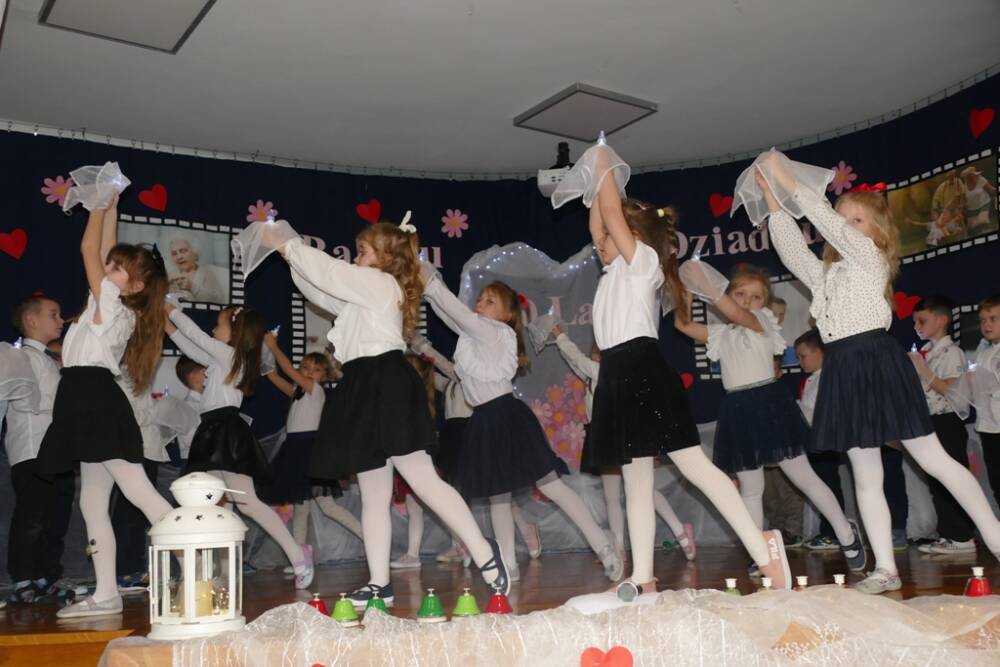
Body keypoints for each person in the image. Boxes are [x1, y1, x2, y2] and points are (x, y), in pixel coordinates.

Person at [746, 149, 1000, 593]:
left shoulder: (870, 258)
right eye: (842, 219)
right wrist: (773, 200)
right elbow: (793, 252)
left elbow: (825, 221)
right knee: (865, 473)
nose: (845, 226)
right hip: (844, 366)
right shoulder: (827, 275)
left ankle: (995, 538)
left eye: (856, 220)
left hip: (876, 360)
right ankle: (885, 568)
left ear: (877, 231)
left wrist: (791, 183)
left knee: (933, 458)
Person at [556, 140, 792, 592]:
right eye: (601, 239)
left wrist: (604, 168)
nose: (599, 243)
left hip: (643, 372)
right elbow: (599, 219)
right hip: (617, 377)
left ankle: (764, 551)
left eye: (609, 237)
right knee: (636, 481)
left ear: (635, 235)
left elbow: (609, 213)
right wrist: (597, 186)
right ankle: (643, 577)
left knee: (695, 468)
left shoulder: (643, 262)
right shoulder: (614, 271)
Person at [267, 217, 511, 607]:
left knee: (423, 479)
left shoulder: (380, 284)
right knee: (373, 493)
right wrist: (287, 254)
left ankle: (484, 551)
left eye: (363, 251)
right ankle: (379, 581)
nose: (356, 257)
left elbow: (330, 273)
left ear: (385, 258)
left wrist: (289, 246)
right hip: (363, 385)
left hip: (386, 383)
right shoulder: (362, 296)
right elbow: (320, 289)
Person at [421, 275, 623, 583]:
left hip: (506, 416)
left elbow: (457, 314)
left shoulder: (495, 332)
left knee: (552, 486)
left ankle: (604, 547)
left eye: (490, 301)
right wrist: (429, 290)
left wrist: (432, 284)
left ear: (506, 315)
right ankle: (508, 566)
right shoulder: (473, 336)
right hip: (483, 419)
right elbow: (454, 317)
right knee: (498, 497)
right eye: (480, 300)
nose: (479, 305)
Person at [676, 261, 864, 574]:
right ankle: (759, 552)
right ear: (730, 294)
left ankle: (846, 533)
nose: (748, 301)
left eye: (756, 296)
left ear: (765, 303)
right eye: (741, 294)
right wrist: (686, 289)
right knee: (751, 488)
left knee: (803, 478)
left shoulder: (761, 321)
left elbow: (737, 313)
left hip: (768, 404)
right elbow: (683, 325)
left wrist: (710, 288)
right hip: (738, 409)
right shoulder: (721, 333)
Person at [37, 194, 175, 618]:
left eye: (117, 269)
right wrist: (111, 208)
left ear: (134, 287)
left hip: (93, 398)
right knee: (93, 502)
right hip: (85, 395)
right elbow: (101, 252)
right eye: (110, 267)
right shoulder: (110, 301)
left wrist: (96, 204)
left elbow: (88, 249)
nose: (107, 269)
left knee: (138, 491)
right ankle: (106, 593)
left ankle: (198, 564)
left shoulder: (113, 303)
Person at [164, 304, 313, 589]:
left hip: (227, 431)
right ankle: (223, 572)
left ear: (235, 333)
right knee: (218, 503)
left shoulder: (230, 356)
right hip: (211, 431)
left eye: (218, 325)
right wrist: (166, 325)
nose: (213, 329)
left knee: (246, 502)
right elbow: (190, 346)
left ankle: (298, 555)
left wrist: (172, 311)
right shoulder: (220, 360)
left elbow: (196, 336)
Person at [551, 323, 695, 562]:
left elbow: (576, 358)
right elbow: (576, 361)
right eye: (595, 353)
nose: (596, 358)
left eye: (600, 354)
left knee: (642, 489)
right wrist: (562, 342)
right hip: (605, 436)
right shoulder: (593, 374)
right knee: (613, 495)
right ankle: (618, 547)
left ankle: (680, 531)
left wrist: (559, 336)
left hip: (622, 435)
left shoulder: (603, 372)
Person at [261, 336, 363, 565]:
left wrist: (274, 346)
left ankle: (370, 539)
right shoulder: (297, 391)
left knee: (327, 506)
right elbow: (272, 375)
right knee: (301, 508)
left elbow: (287, 369)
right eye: (305, 367)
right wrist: (265, 352)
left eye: (316, 370)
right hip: (294, 449)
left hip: (309, 449)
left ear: (324, 377)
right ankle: (300, 558)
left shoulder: (315, 389)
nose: (309, 372)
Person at [4, 294, 75, 604]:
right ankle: (23, 578)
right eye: (53, 314)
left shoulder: (49, 360)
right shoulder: (18, 357)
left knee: (55, 519)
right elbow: (16, 400)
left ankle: (47, 576)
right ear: (31, 320)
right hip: (32, 449)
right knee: (32, 517)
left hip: (57, 450)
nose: (60, 321)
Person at [908, 295, 976, 554]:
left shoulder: (952, 352)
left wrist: (923, 370)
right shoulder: (929, 352)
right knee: (937, 482)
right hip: (931, 421)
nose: (917, 327)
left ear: (942, 320)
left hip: (948, 421)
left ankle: (962, 536)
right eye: (915, 322)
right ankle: (948, 534)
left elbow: (951, 389)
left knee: (952, 479)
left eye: (922, 321)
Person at [166, 235, 228, 303]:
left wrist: (192, 287)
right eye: (174, 253)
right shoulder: (170, 275)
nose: (179, 257)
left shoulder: (205, 274)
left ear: (194, 252)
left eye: (183, 251)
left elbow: (219, 300)